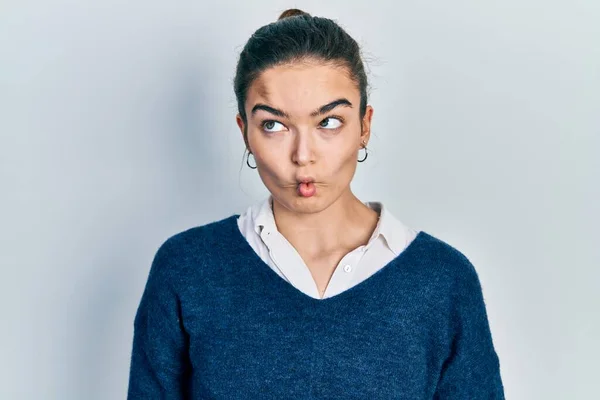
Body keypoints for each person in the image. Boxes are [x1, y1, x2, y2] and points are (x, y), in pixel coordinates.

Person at [127, 8, 505, 399]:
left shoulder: (441, 279)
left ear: (364, 126)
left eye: (328, 122)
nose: (302, 155)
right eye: (274, 125)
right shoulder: (188, 268)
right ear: (245, 132)